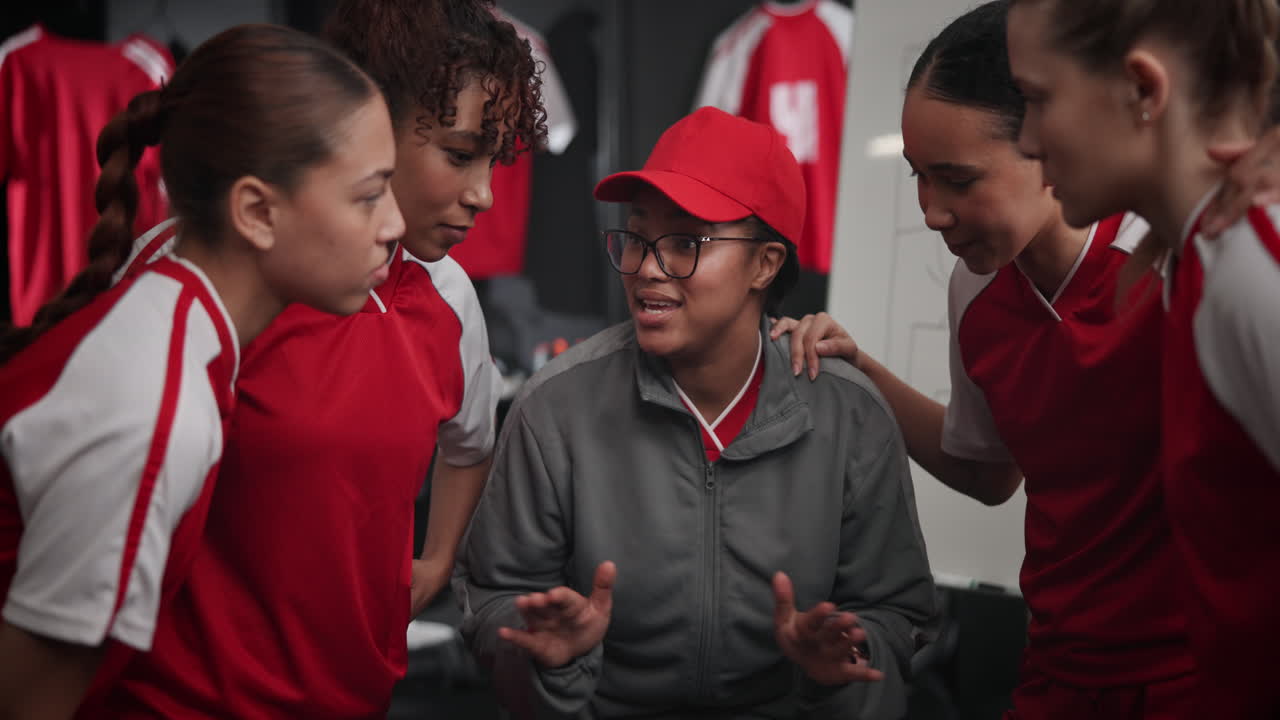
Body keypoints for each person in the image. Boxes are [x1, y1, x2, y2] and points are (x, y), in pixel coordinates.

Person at [96, 1, 547, 717]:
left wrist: (434, 565)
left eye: (497, 161)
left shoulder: (447, 296)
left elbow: (470, 442)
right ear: (371, 125)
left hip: (355, 698)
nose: (484, 195)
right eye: (461, 155)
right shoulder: (210, 275)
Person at [774, 3, 1200, 717]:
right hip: (1059, 666)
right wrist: (861, 369)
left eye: (958, 179)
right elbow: (987, 470)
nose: (932, 210)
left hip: (1196, 672)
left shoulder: (1170, 261)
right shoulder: (978, 292)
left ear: (1045, 138)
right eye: (917, 177)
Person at [455, 106, 935, 719]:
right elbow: (494, 596)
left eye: (686, 242)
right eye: (636, 237)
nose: (647, 269)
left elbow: (900, 613)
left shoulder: (849, 414)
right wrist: (545, 655)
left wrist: (845, 662)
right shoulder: (556, 409)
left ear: (765, 263)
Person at [0, 23, 403, 719]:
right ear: (256, 211)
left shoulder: (180, 324)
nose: (395, 224)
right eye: (369, 195)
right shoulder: (153, 408)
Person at [1006, 1, 1280, 716]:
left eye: (1038, 99)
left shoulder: (1252, 266)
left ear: (1144, 90)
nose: (1029, 139)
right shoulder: (1189, 261)